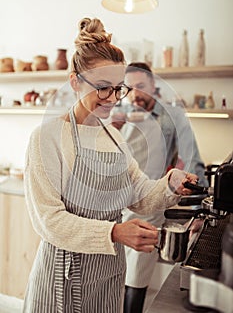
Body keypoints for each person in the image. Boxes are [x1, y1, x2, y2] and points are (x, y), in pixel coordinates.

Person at [23, 18, 197, 313]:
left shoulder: (114, 137)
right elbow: (49, 221)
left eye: (119, 89)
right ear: (75, 81)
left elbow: (140, 195)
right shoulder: (47, 137)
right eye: (103, 88)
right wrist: (114, 233)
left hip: (108, 277)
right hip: (61, 279)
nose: (113, 99)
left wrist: (170, 183)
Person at [111, 62, 208, 313]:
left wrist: (198, 209)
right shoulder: (118, 114)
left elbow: (191, 158)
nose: (135, 94)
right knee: (112, 275)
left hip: (151, 204)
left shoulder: (173, 117)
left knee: (136, 276)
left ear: (154, 87)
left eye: (141, 87)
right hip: (118, 205)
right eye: (129, 88)